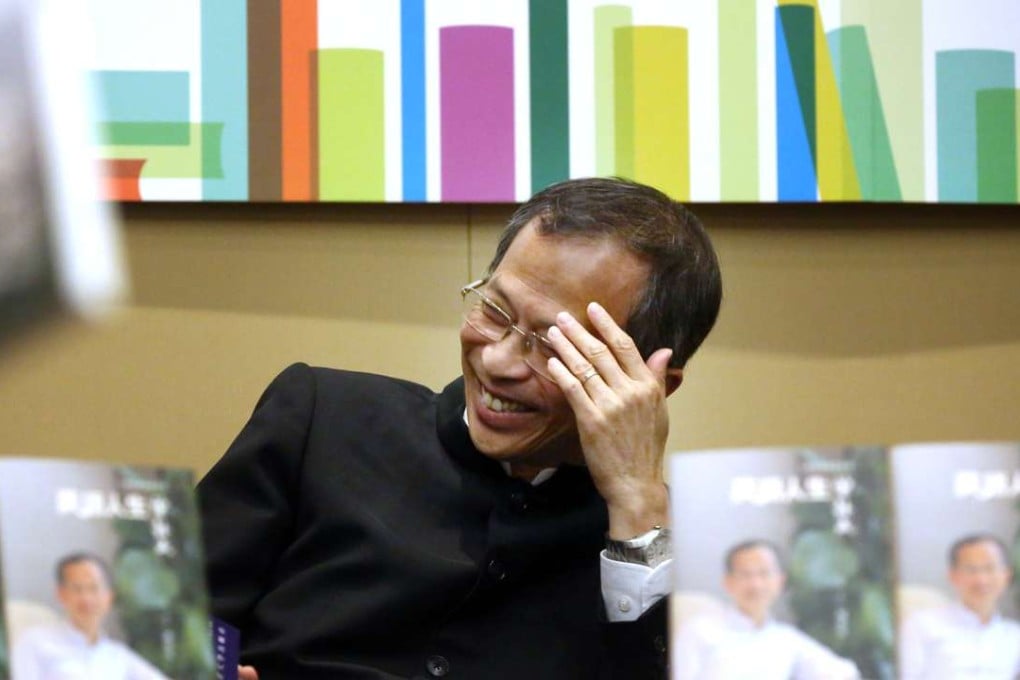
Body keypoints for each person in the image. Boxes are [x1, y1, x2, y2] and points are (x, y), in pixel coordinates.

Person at [196, 177, 723, 679]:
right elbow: (161, 623)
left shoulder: (683, 554)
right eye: (495, 309)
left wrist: (635, 503)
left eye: (555, 345)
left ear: (651, 385)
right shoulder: (322, 419)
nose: (498, 361)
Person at [673, 540, 860, 680]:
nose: (756, 584)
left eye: (764, 573)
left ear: (780, 581)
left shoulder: (786, 639)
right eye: (745, 574)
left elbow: (843, 673)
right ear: (728, 582)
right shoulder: (698, 631)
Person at [11, 552, 169, 680]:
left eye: (94, 588)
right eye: (77, 589)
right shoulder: (34, 642)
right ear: (61, 594)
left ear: (109, 597)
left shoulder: (117, 656)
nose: (86, 598)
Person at [899, 533, 1020, 679]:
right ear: (952, 576)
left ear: (1006, 576)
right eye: (971, 569)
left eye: (989, 568)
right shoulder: (922, 625)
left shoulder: (1014, 636)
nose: (981, 580)